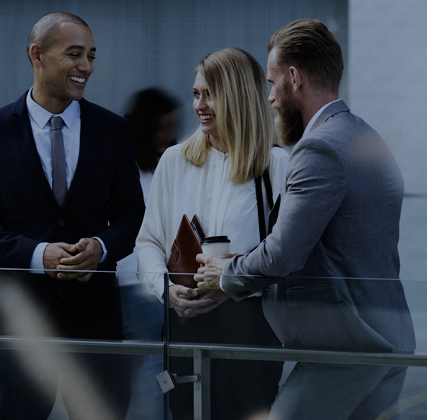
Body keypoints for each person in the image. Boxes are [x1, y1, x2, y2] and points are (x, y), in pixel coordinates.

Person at [196, 19, 416, 420]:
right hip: (392, 335)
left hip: (348, 347)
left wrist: (225, 276)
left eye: (271, 82)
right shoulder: (365, 136)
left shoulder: (319, 148)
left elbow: (283, 254)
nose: (269, 98)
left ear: (293, 78)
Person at [0, 12, 144, 420]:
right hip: (23, 322)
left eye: (92, 56)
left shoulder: (113, 130)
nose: (87, 67)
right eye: (75, 54)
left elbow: (131, 211)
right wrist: (37, 254)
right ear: (37, 54)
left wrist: (102, 246)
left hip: (97, 320)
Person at [136, 48, 288, 420]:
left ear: (237, 96)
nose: (199, 105)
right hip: (184, 323)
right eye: (196, 93)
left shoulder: (277, 165)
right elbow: (148, 242)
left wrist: (231, 285)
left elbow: (287, 257)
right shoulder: (174, 161)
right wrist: (165, 290)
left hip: (250, 330)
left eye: (209, 94)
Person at [116, 87, 180, 420]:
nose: (167, 135)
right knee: (153, 366)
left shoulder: (152, 166)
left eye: (171, 127)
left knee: (141, 368)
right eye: (161, 127)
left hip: (136, 282)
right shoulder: (141, 171)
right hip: (140, 284)